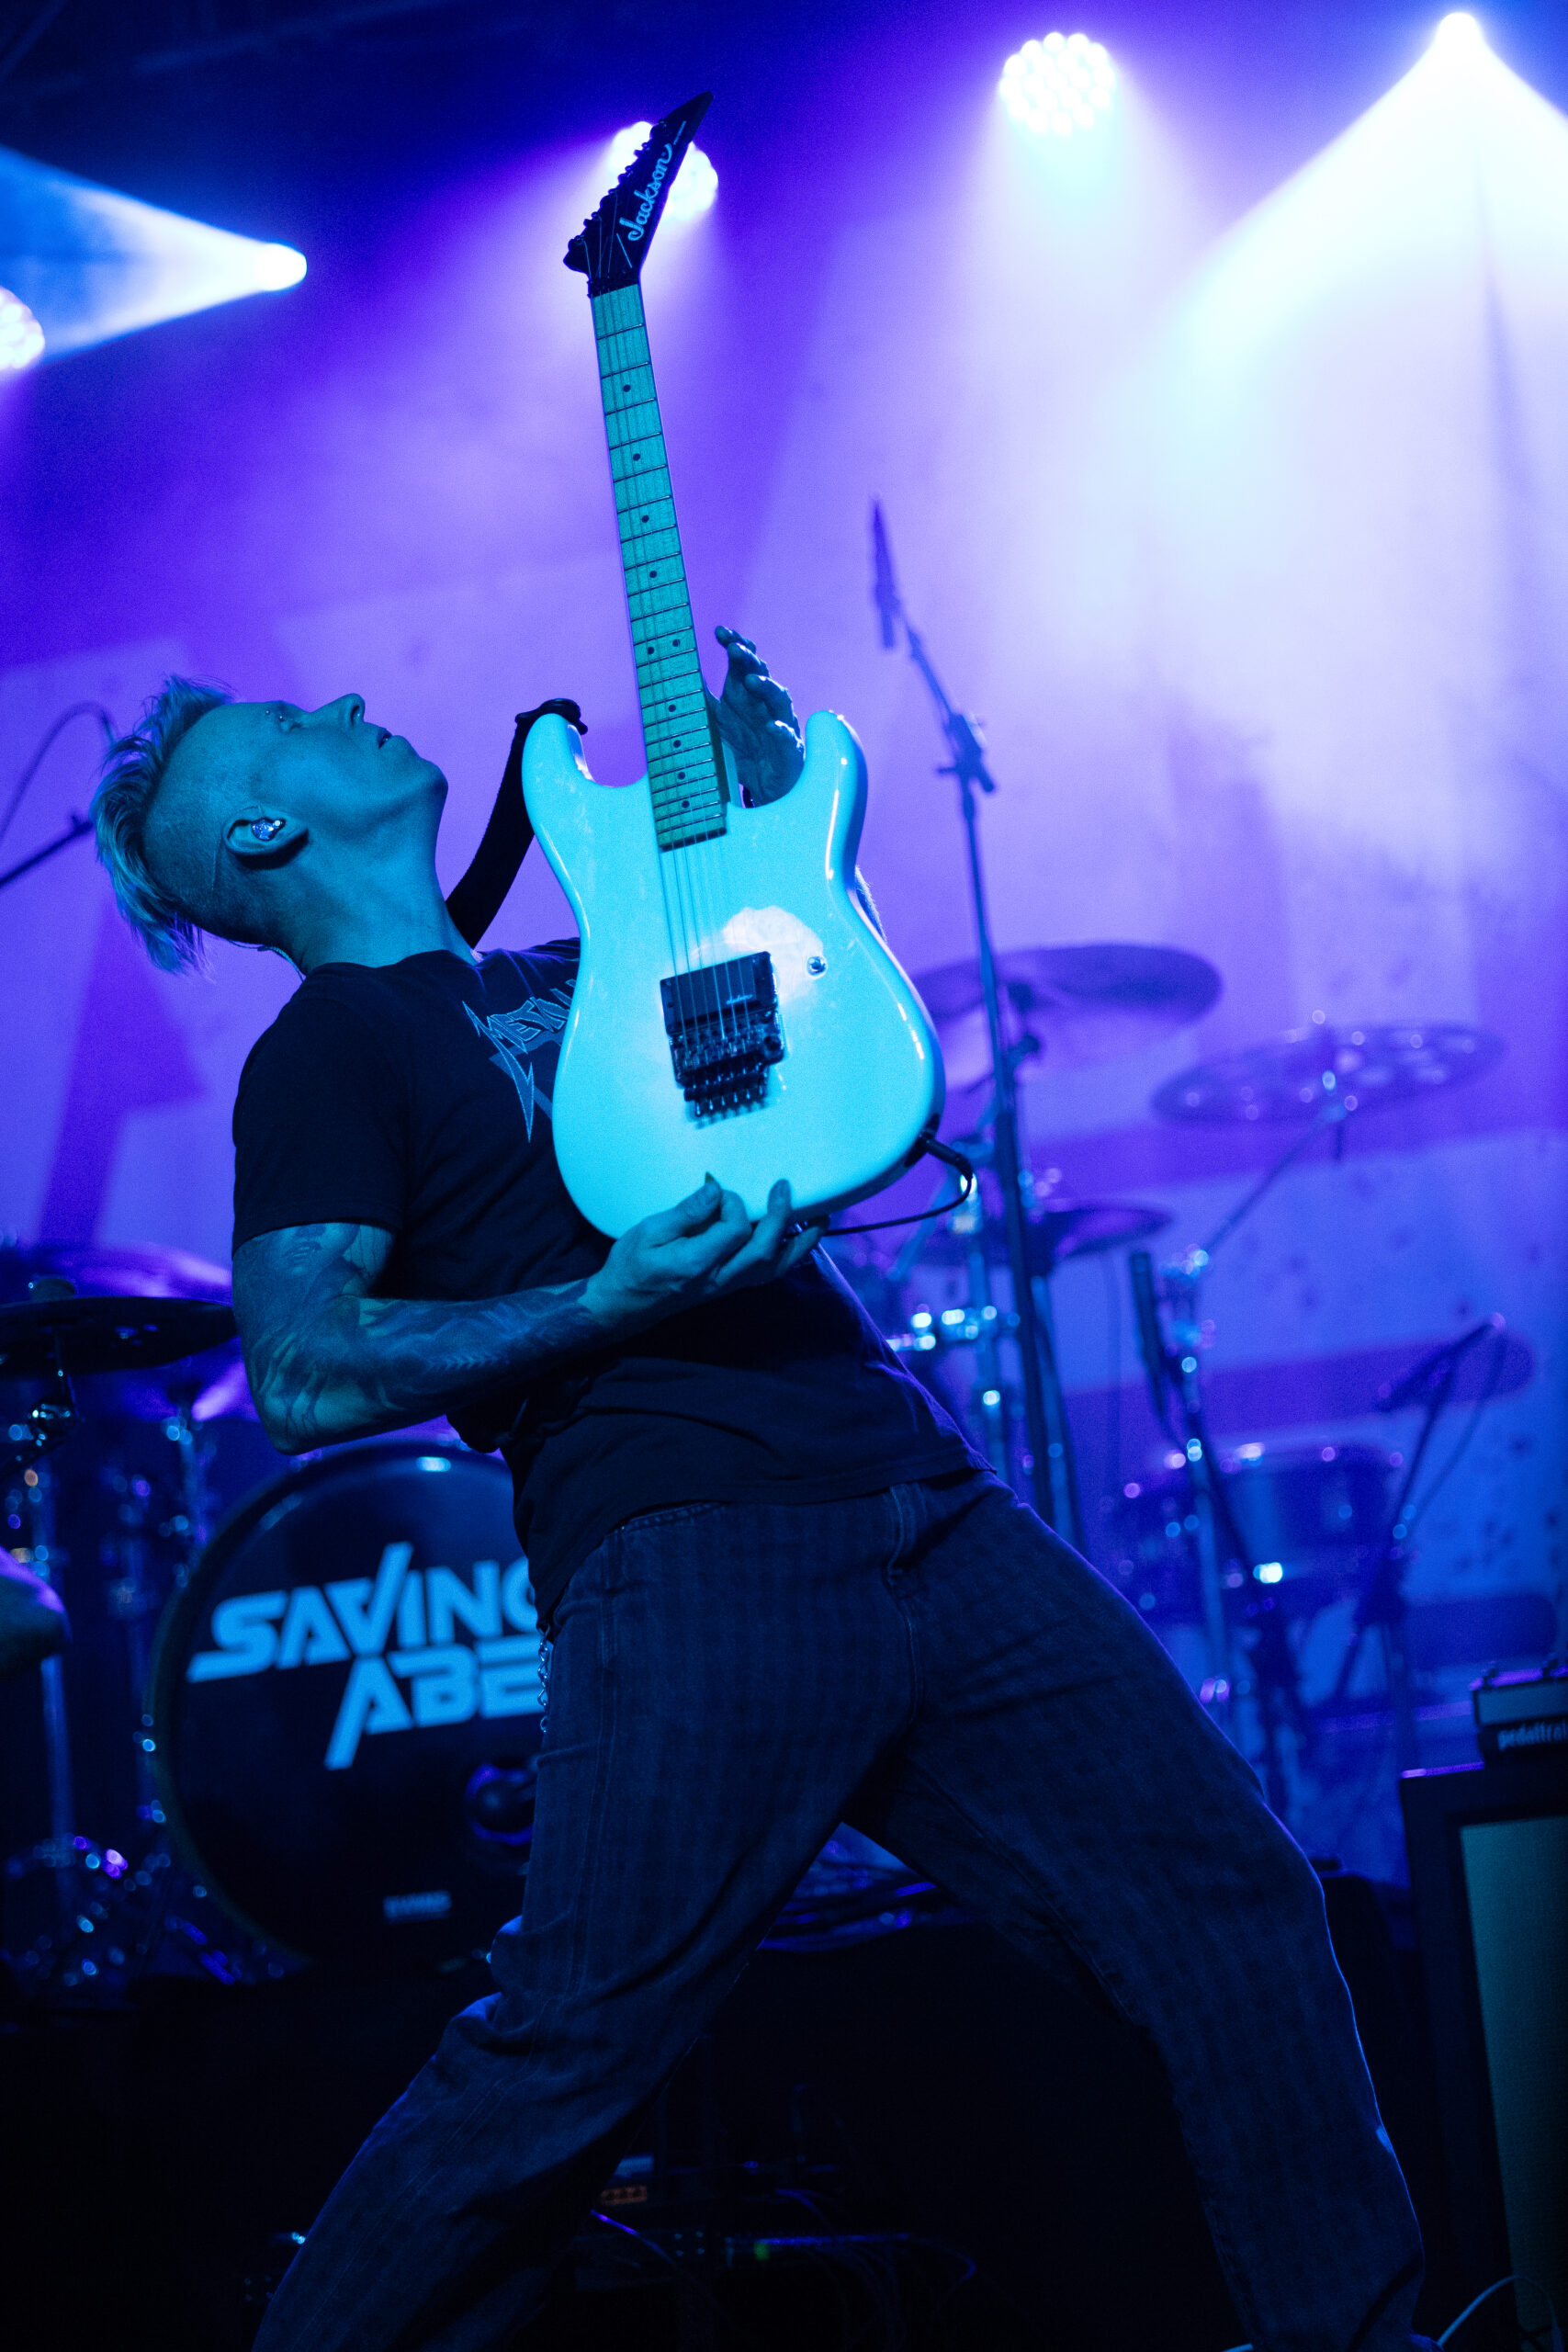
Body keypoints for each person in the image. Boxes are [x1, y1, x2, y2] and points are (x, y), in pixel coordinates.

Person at [93, 635, 1433, 2352]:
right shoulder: (331, 1051)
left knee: (1233, 1899)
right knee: (567, 2050)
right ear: (263, 836)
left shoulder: (581, 962)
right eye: (293, 723)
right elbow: (301, 1366)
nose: (346, 705)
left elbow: (822, 1048)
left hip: (917, 1494)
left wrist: (782, 812)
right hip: (688, 1549)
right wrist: (600, 1304)